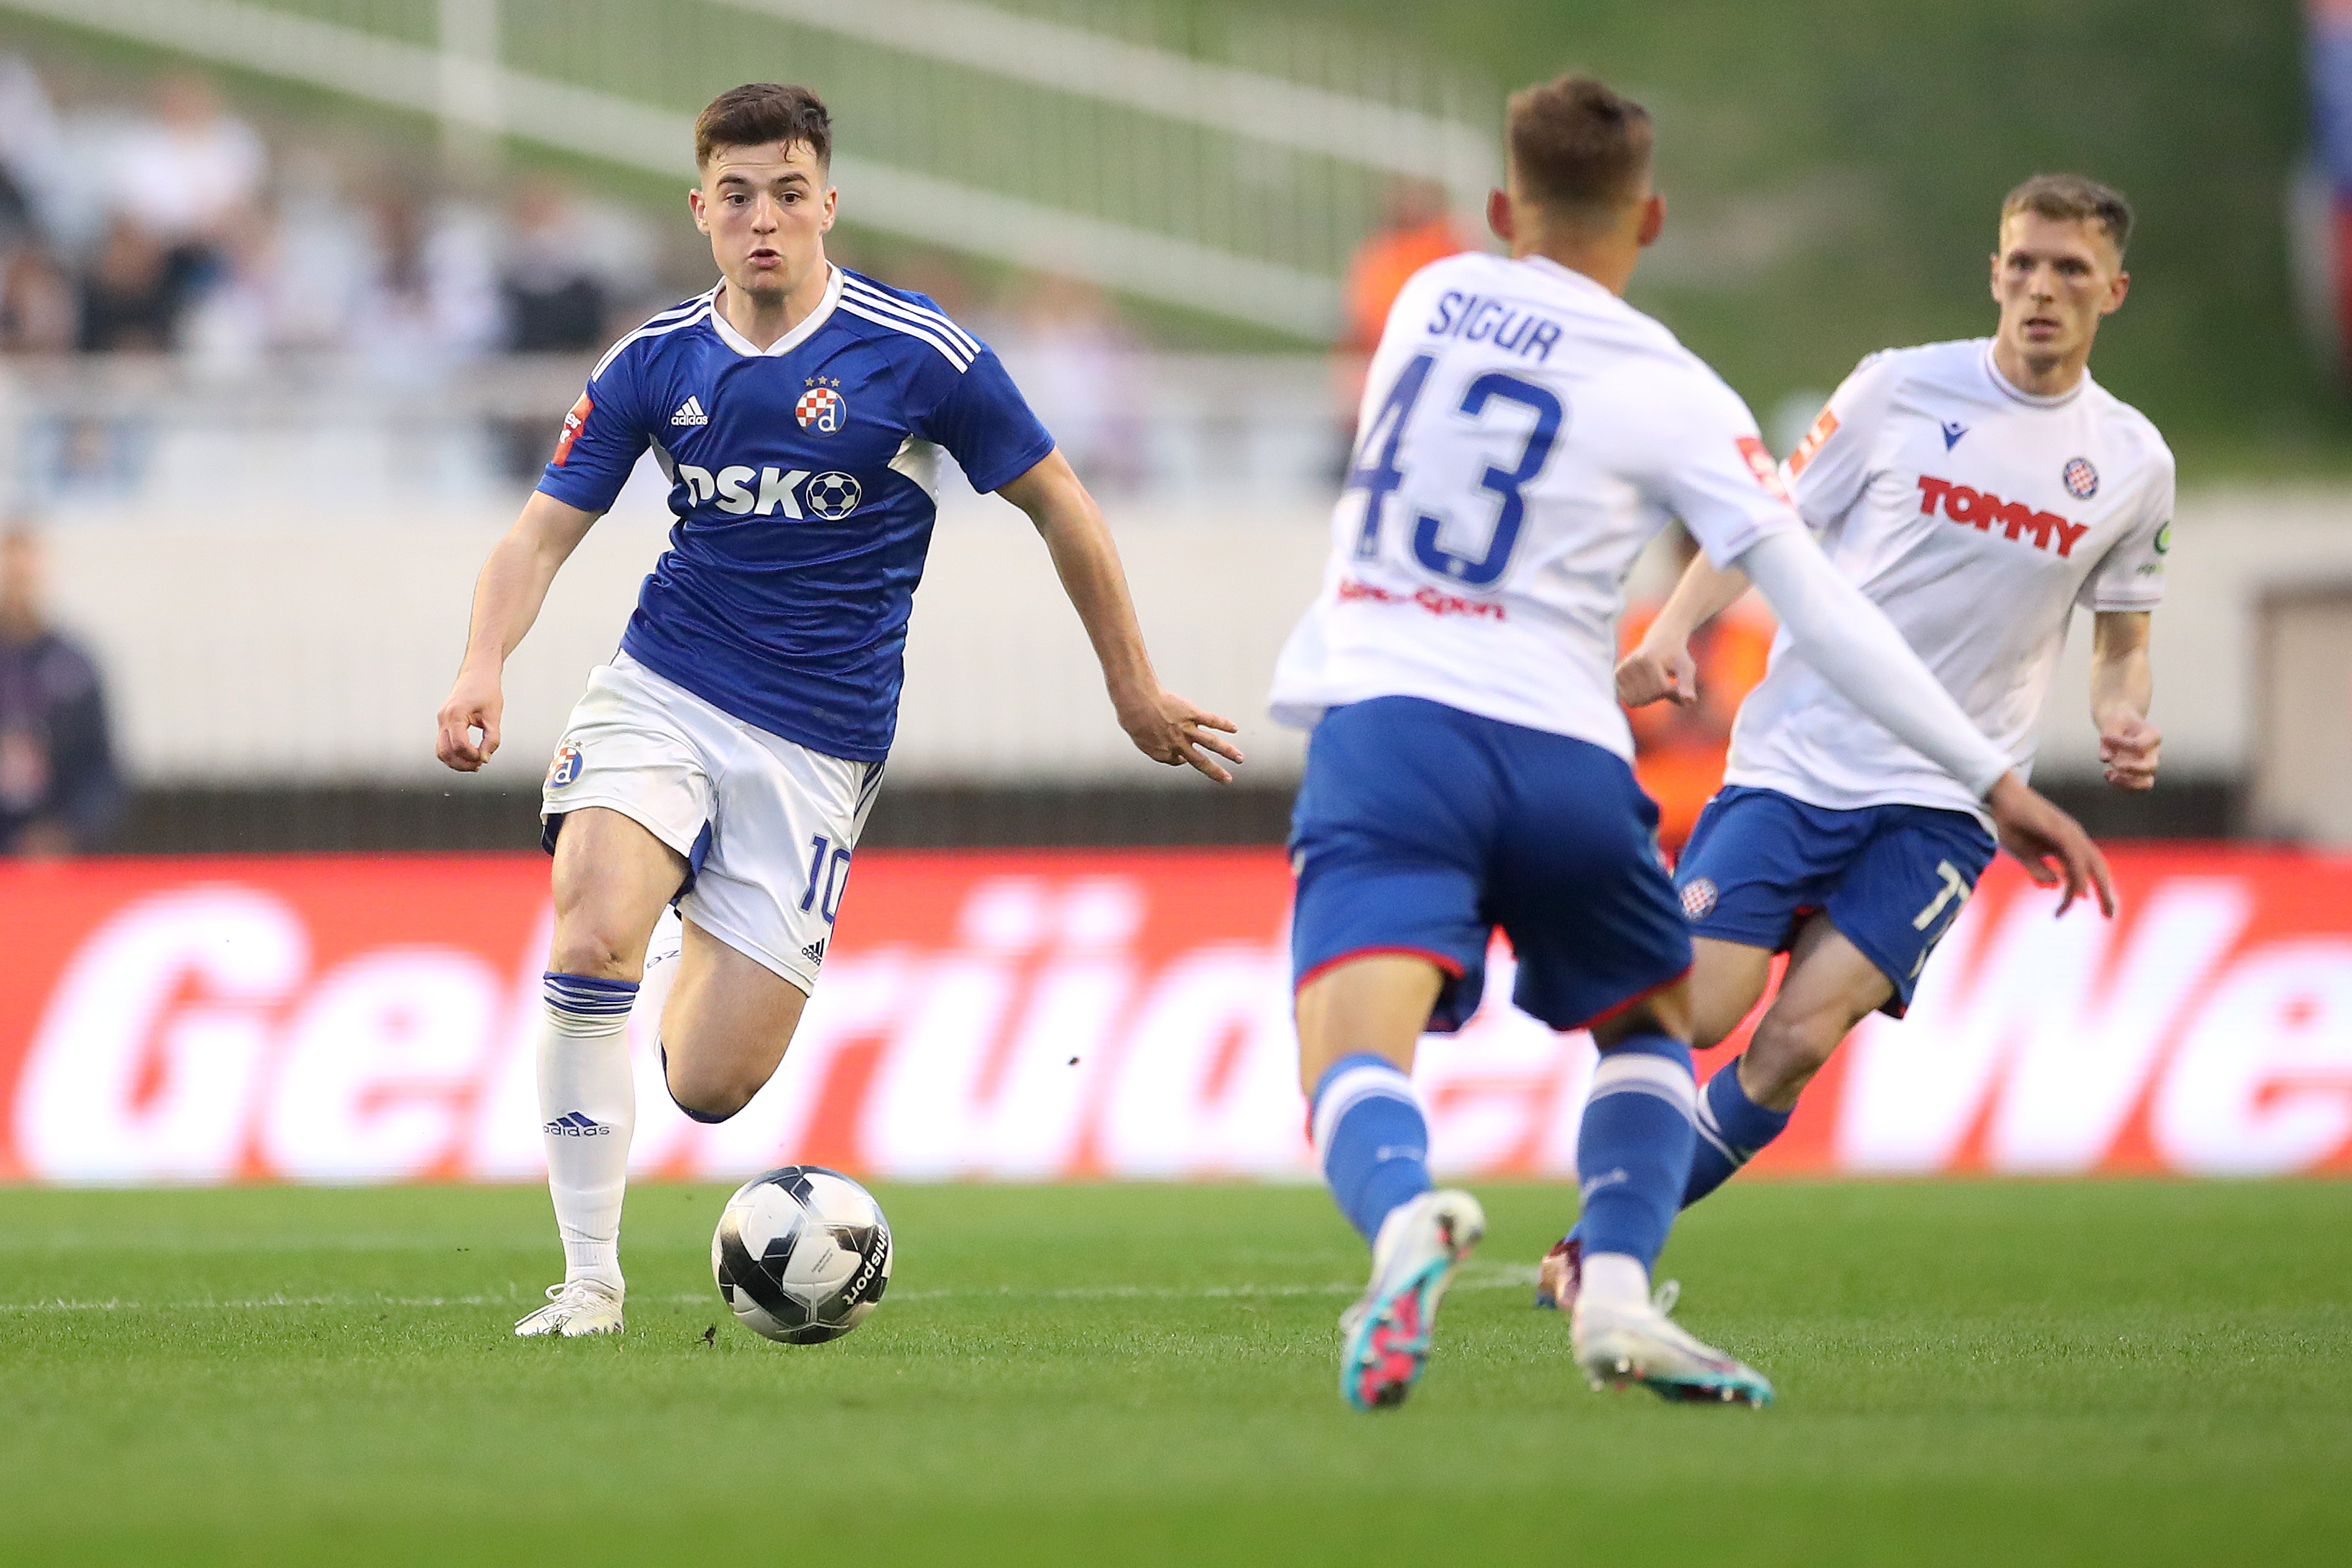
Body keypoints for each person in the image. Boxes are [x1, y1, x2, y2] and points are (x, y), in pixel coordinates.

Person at [1266, 76, 2112, 1411]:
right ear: (1650, 220)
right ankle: (1612, 1292)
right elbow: (1821, 608)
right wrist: (1997, 779)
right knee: (1655, 1032)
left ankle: (1404, 1221)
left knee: (1351, 1052)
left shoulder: (1425, 296)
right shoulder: (1678, 391)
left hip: (1391, 725)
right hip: (1563, 753)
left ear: (1498, 210)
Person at [433, 83, 1239, 1339]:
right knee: (587, 931)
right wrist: (482, 663)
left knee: (711, 1084)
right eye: (737, 196)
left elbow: (1063, 506)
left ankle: (684, 907)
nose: (763, 219)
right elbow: (537, 537)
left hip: (818, 742)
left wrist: (1130, 685)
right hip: (664, 686)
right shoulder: (652, 361)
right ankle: (590, 1280)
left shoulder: (917, 353)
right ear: (700, 209)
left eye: (788, 194)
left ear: (827, 204)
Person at [1532, 175, 2169, 1308]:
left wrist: (2122, 714)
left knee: (1793, 1044)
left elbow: (2122, 642)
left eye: (2070, 269)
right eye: (2024, 263)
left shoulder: (2132, 462)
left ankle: (1599, 1250)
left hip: (1948, 802)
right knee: (1697, 1013)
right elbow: (1760, 523)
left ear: (2112, 290)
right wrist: (1673, 629)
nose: (2042, 288)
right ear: (1994, 273)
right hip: (1797, 762)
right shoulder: (1897, 389)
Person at [0, 523, 122, 856]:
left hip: (55, 848)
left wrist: (67, 832)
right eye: (10, 578)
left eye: (24, 578)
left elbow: (100, 768)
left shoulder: (74, 666)